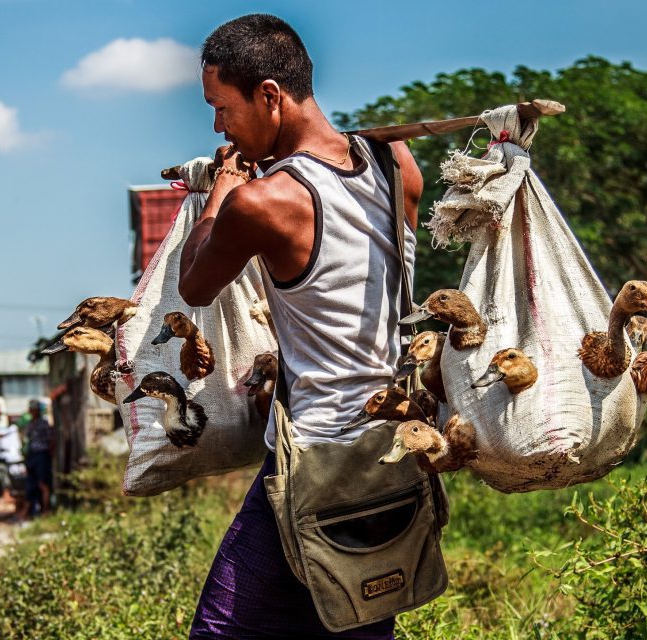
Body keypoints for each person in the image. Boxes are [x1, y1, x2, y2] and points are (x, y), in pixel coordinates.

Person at [179, 14, 424, 639]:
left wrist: (220, 191)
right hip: (394, 455)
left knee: (220, 630)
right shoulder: (396, 165)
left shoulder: (263, 202)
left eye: (222, 108)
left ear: (269, 95)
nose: (218, 127)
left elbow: (194, 283)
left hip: (315, 466)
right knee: (354, 626)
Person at [21, 400, 54, 518]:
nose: (32, 411)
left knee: (43, 484)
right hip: (32, 455)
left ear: (37, 410)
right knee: (31, 483)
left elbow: (51, 440)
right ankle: (29, 512)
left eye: (33, 409)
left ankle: (46, 510)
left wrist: (49, 454)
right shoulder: (30, 424)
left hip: (42, 455)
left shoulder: (44, 423)